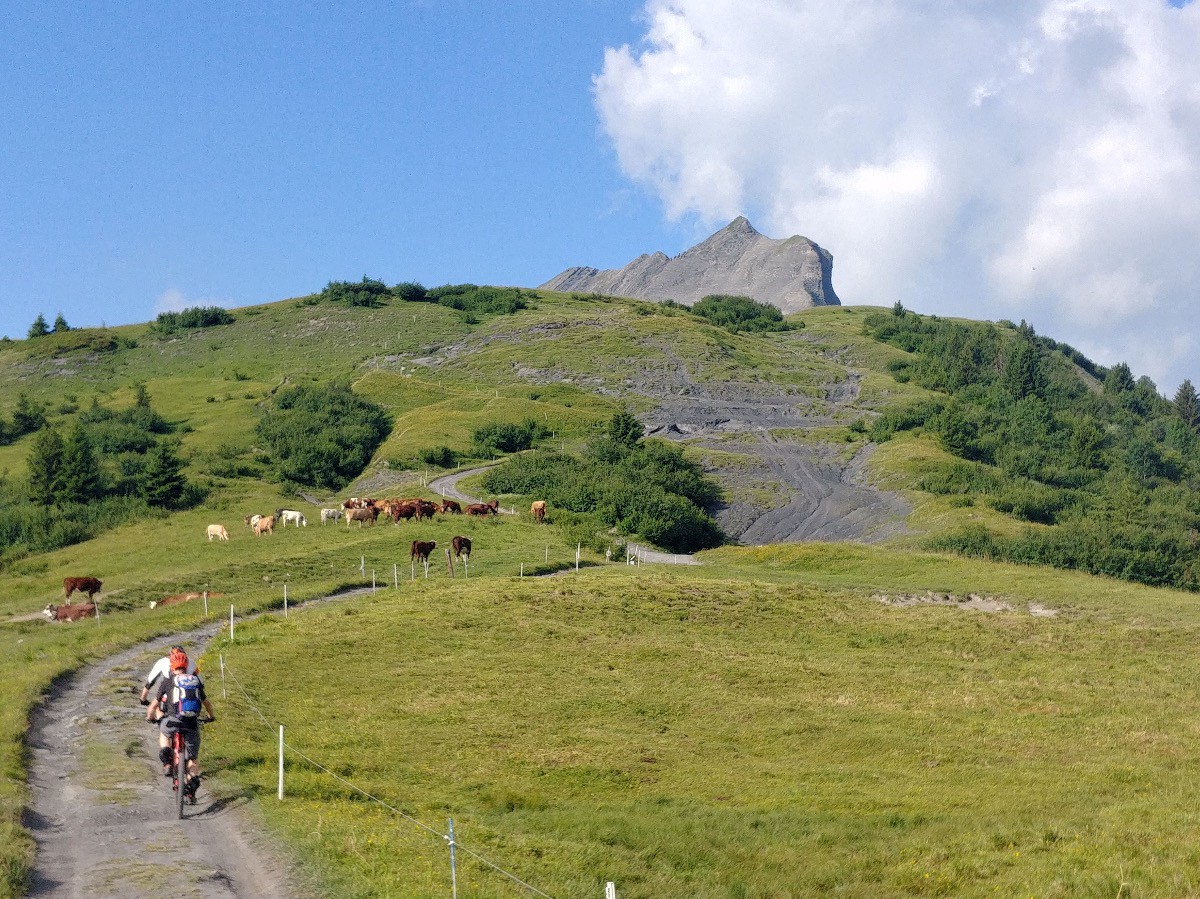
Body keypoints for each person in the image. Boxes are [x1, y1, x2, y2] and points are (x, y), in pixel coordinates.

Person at [145, 650, 214, 800]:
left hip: (172, 721)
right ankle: (191, 786)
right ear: (187, 666)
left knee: (164, 733)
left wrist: (150, 717)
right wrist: (211, 717)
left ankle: (167, 760)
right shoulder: (195, 681)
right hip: (191, 724)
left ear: (172, 667)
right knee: (193, 759)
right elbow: (206, 703)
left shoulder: (168, 682)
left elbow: (154, 705)